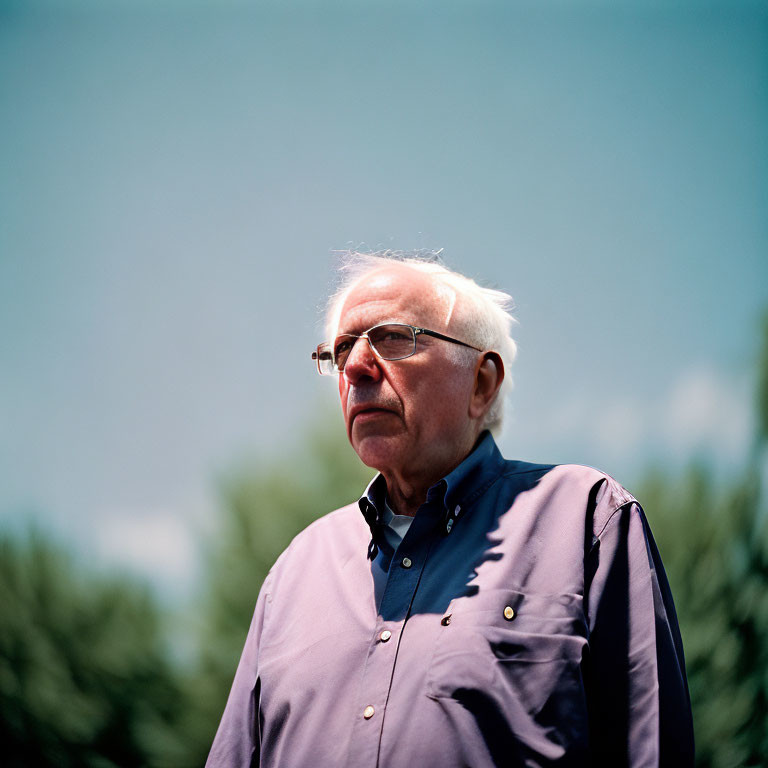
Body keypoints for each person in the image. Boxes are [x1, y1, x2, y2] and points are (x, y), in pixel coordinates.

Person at [207, 253, 694, 767]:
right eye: (343, 348)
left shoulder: (587, 521)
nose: (355, 367)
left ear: (481, 383)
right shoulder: (294, 573)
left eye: (394, 337)